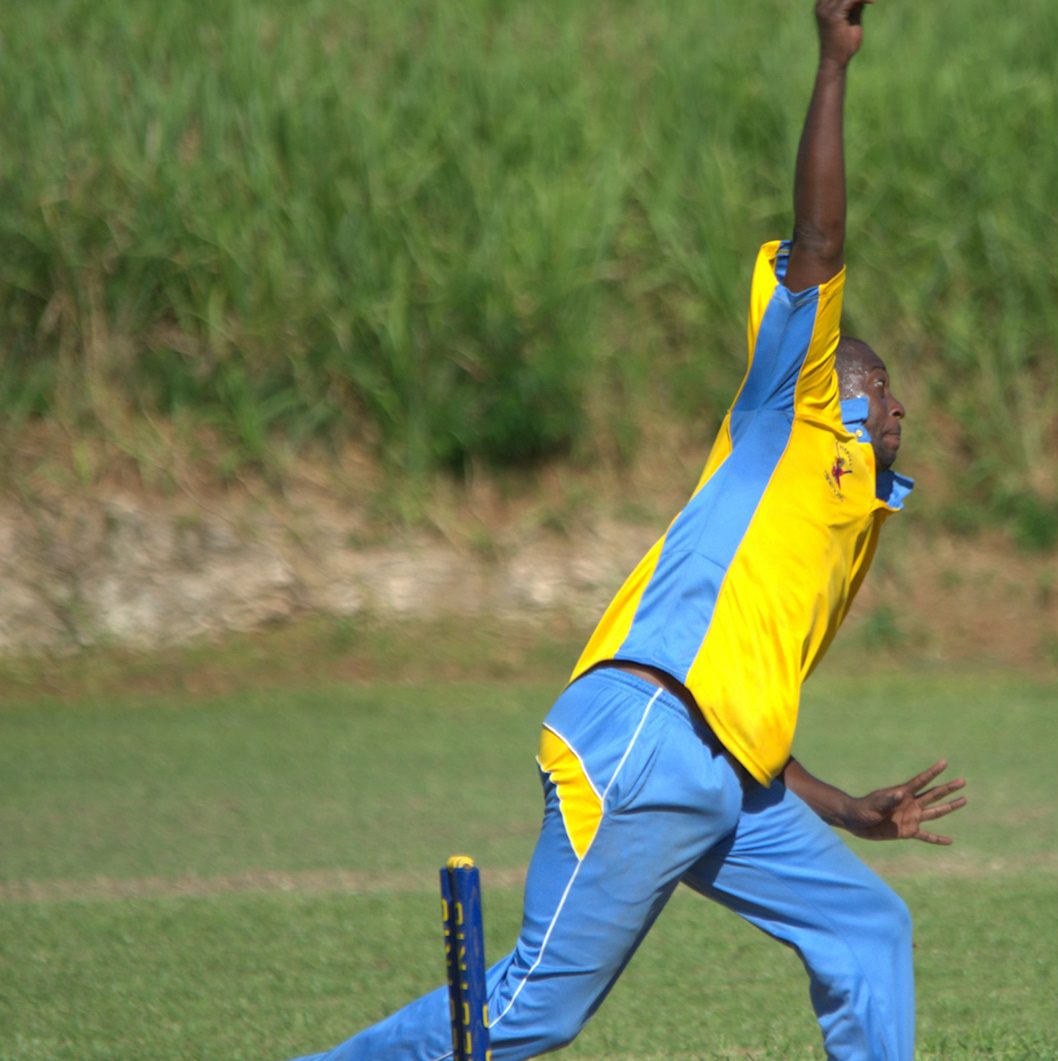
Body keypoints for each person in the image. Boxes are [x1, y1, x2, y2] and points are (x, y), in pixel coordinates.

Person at [293, 2, 965, 1059]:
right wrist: (834, 64)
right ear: (829, 383)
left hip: (716, 771)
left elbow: (742, 718)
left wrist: (845, 808)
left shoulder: (847, 528)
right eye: (876, 386)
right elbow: (822, 241)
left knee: (866, 924)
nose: (895, 404)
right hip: (643, 737)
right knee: (530, 1010)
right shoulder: (785, 416)